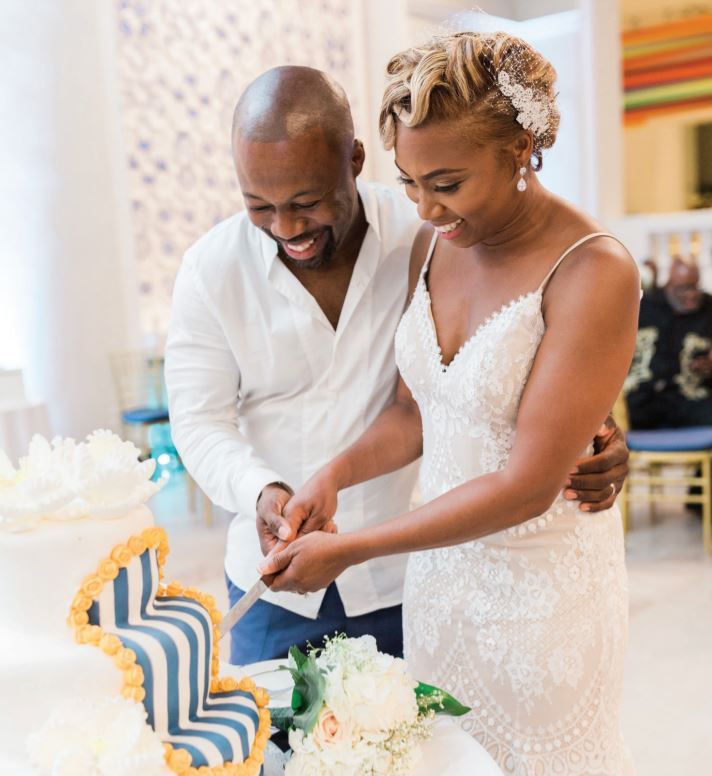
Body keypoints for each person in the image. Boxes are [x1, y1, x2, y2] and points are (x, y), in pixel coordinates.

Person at [258, 34, 639, 774]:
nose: (428, 208)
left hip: (545, 600)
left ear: (521, 148)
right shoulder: (432, 246)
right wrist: (332, 476)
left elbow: (527, 485)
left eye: (448, 183)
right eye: (409, 183)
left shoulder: (593, 270)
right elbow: (414, 413)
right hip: (439, 587)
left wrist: (352, 548)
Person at [164, 64, 630, 666]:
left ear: (354, 160)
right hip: (275, 584)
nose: (287, 227)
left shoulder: (428, 235)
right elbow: (199, 422)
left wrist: (595, 429)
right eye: (260, 206)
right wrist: (263, 489)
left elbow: (530, 353)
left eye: (307, 203)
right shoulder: (210, 270)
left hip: (411, 574)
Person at [626, 256, 712, 428]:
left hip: (690, 397)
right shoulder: (644, 306)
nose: (692, 294)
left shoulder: (708, 307)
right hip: (641, 398)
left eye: (696, 286)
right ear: (669, 285)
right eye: (684, 288)